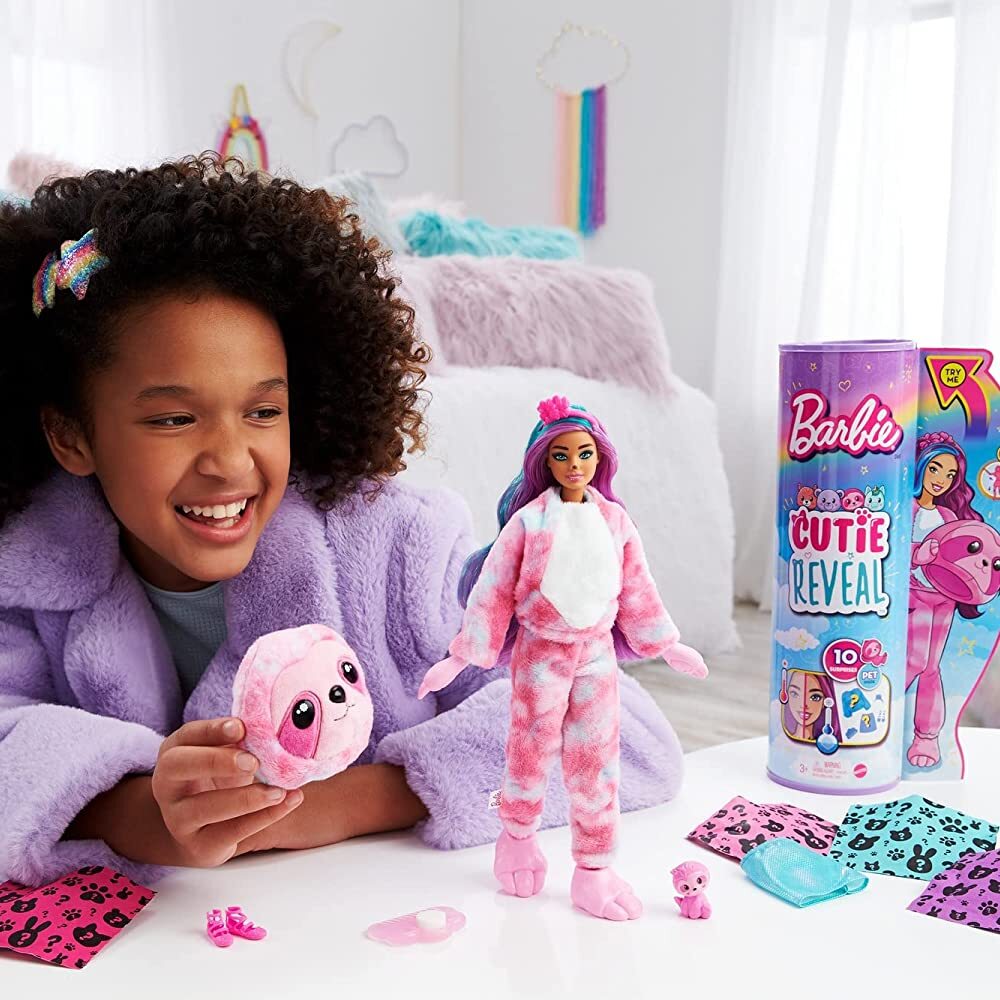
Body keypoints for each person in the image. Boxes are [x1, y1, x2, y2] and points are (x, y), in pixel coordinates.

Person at [0, 160, 684, 888]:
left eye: (264, 411)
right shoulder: (27, 571)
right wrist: (134, 811)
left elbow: (627, 736)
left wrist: (344, 802)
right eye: (173, 419)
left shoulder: (399, 548)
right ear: (71, 436)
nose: (230, 462)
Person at [419, 396, 705, 921]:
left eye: (585, 454)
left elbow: (637, 588)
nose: (575, 465)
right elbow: (492, 591)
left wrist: (666, 644)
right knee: (528, 753)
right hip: (539, 654)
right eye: (562, 455)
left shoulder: (615, 521)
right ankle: (517, 839)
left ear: (600, 458)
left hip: (596, 656)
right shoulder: (528, 523)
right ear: (545, 461)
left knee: (596, 762)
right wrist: (461, 655)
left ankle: (594, 868)